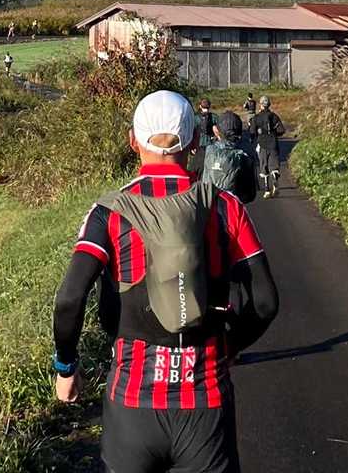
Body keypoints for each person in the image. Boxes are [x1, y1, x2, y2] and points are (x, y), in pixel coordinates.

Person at [53, 90, 278, 473]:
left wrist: (66, 368)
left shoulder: (108, 212)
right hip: (205, 401)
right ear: (194, 141)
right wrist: (230, 346)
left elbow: (70, 298)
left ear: (133, 141)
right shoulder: (225, 206)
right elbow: (266, 301)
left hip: (131, 402)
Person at [202, 112, 258, 204]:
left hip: (209, 208)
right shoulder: (244, 156)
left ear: (216, 131)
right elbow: (249, 195)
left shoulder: (207, 152)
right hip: (233, 208)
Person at [248, 97, 285, 199]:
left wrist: (253, 137)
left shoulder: (256, 117)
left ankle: (267, 190)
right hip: (273, 143)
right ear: (269, 105)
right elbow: (281, 130)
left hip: (262, 144)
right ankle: (275, 179)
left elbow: (252, 132)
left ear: (260, 105)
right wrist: (274, 133)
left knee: (264, 166)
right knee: (274, 166)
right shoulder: (274, 116)